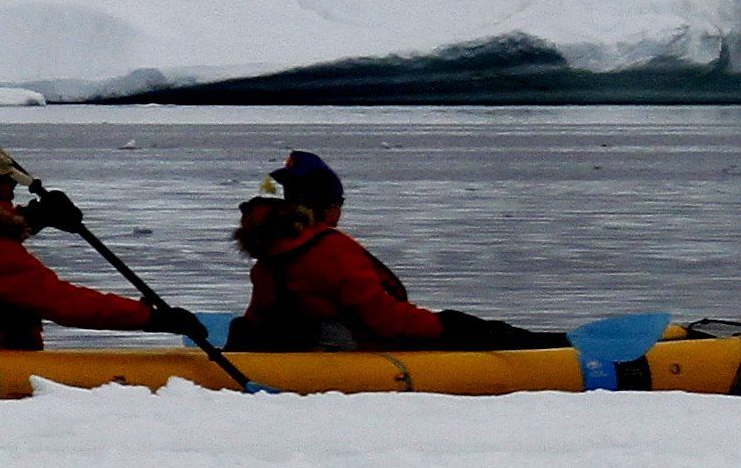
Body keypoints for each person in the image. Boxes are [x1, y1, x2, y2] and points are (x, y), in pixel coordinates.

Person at [225, 149, 568, 353]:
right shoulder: (330, 249)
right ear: (324, 207)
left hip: (301, 341)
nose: (340, 212)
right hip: (355, 345)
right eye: (338, 203)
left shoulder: (271, 249)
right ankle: (558, 350)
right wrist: (440, 325)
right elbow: (384, 318)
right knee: (464, 325)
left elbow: (259, 316)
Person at [0, 143, 197, 350]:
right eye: (8, 185)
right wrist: (150, 318)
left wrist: (32, 217)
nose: (12, 192)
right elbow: (63, 302)